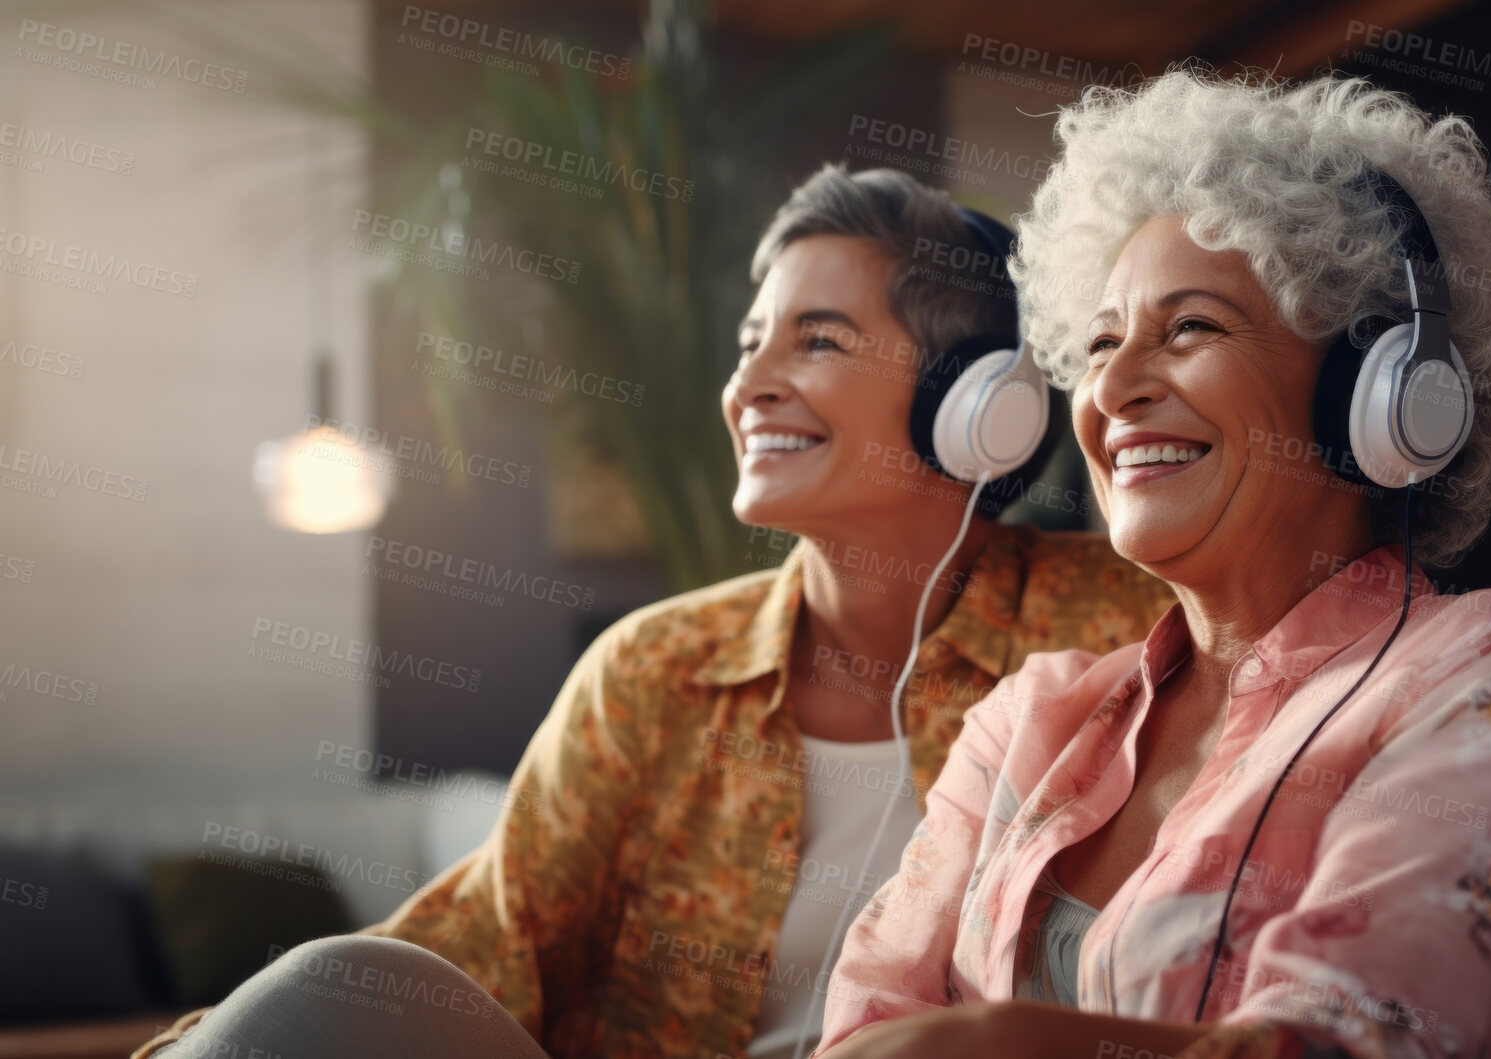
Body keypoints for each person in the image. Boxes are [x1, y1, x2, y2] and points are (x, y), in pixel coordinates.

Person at [132, 166, 1175, 1059]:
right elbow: (481, 944)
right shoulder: (656, 668)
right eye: (748, 343)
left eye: (815, 340)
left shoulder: (1125, 622)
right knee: (334, 979)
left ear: (978, 406)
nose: (748, 386)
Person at [815, 71, 1491, 1059]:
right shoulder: (1029, 722)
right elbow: (865, 1028)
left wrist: (996, 1042)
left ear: (1375, 394)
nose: (1109, 388)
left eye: (1188, 328)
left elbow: (1359, 1043)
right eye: (1100, 341)